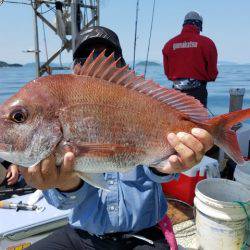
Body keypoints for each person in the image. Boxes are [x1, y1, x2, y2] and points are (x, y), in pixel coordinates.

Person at [18, 26, 214, 250]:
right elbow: (61, 202)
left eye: (108, 57)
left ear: (122, 67)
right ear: (75, 67)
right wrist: (66, 184)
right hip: (84, 235)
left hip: (143, 234)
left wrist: (168, 165)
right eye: (86, 57)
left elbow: (160, 172)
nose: (97, 63)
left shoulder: (138, 100)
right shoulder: (57, 111)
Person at [162, 11, 218, 107]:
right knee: (197, 121)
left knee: (178, 120)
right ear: (199, 25)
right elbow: (212, 74)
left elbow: (168, 73)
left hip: (175, 93)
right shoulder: (207, 43)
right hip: (197, 92)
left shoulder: (169, 44)